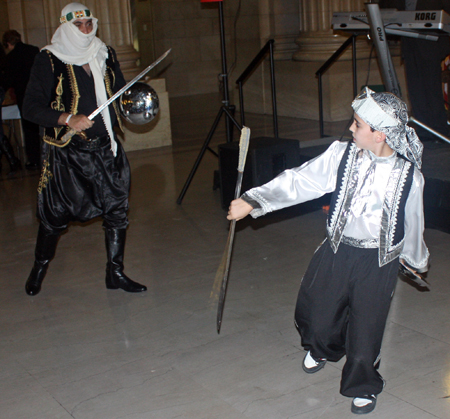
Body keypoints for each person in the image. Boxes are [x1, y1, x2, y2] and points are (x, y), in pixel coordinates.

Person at [227, 87, 429, 414]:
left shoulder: (409, 177)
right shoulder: (341, 155)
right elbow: (300, 181)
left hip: (378, 262)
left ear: (379, 134)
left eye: (358, 124)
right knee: (315, 312)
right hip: (337, 249)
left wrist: (415, 259)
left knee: (366, 325)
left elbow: (414, 222)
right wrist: (254, 201)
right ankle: (323, 347)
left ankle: (362, 380)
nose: (351, 128)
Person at [22, 2, 146, 296]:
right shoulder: (49, 59)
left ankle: (115, 273)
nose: (86, 30)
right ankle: (39, 267)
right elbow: (30, 107)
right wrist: (67, 119)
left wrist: (134, 100)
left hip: (106, 147)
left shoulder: (104, 52)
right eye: (78, 25)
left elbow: (119, 90)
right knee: (55, 217)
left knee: (117, 210)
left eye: (89, 23)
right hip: (68, 153)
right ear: (65, 27)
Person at [378, 0, 450, 141]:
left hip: (431, 43)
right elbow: (390, 8)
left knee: (431, 88)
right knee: (415, 88)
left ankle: (439, 129)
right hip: (409, 41)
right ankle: (423, 129)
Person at [2, 29, 41, 168]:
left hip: (24, 96)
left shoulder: (11, 57)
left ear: (8, 43)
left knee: (29, 128)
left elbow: (8, 80)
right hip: (40, 94)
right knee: (41, 126)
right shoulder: (33, 50)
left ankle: (34, 159)